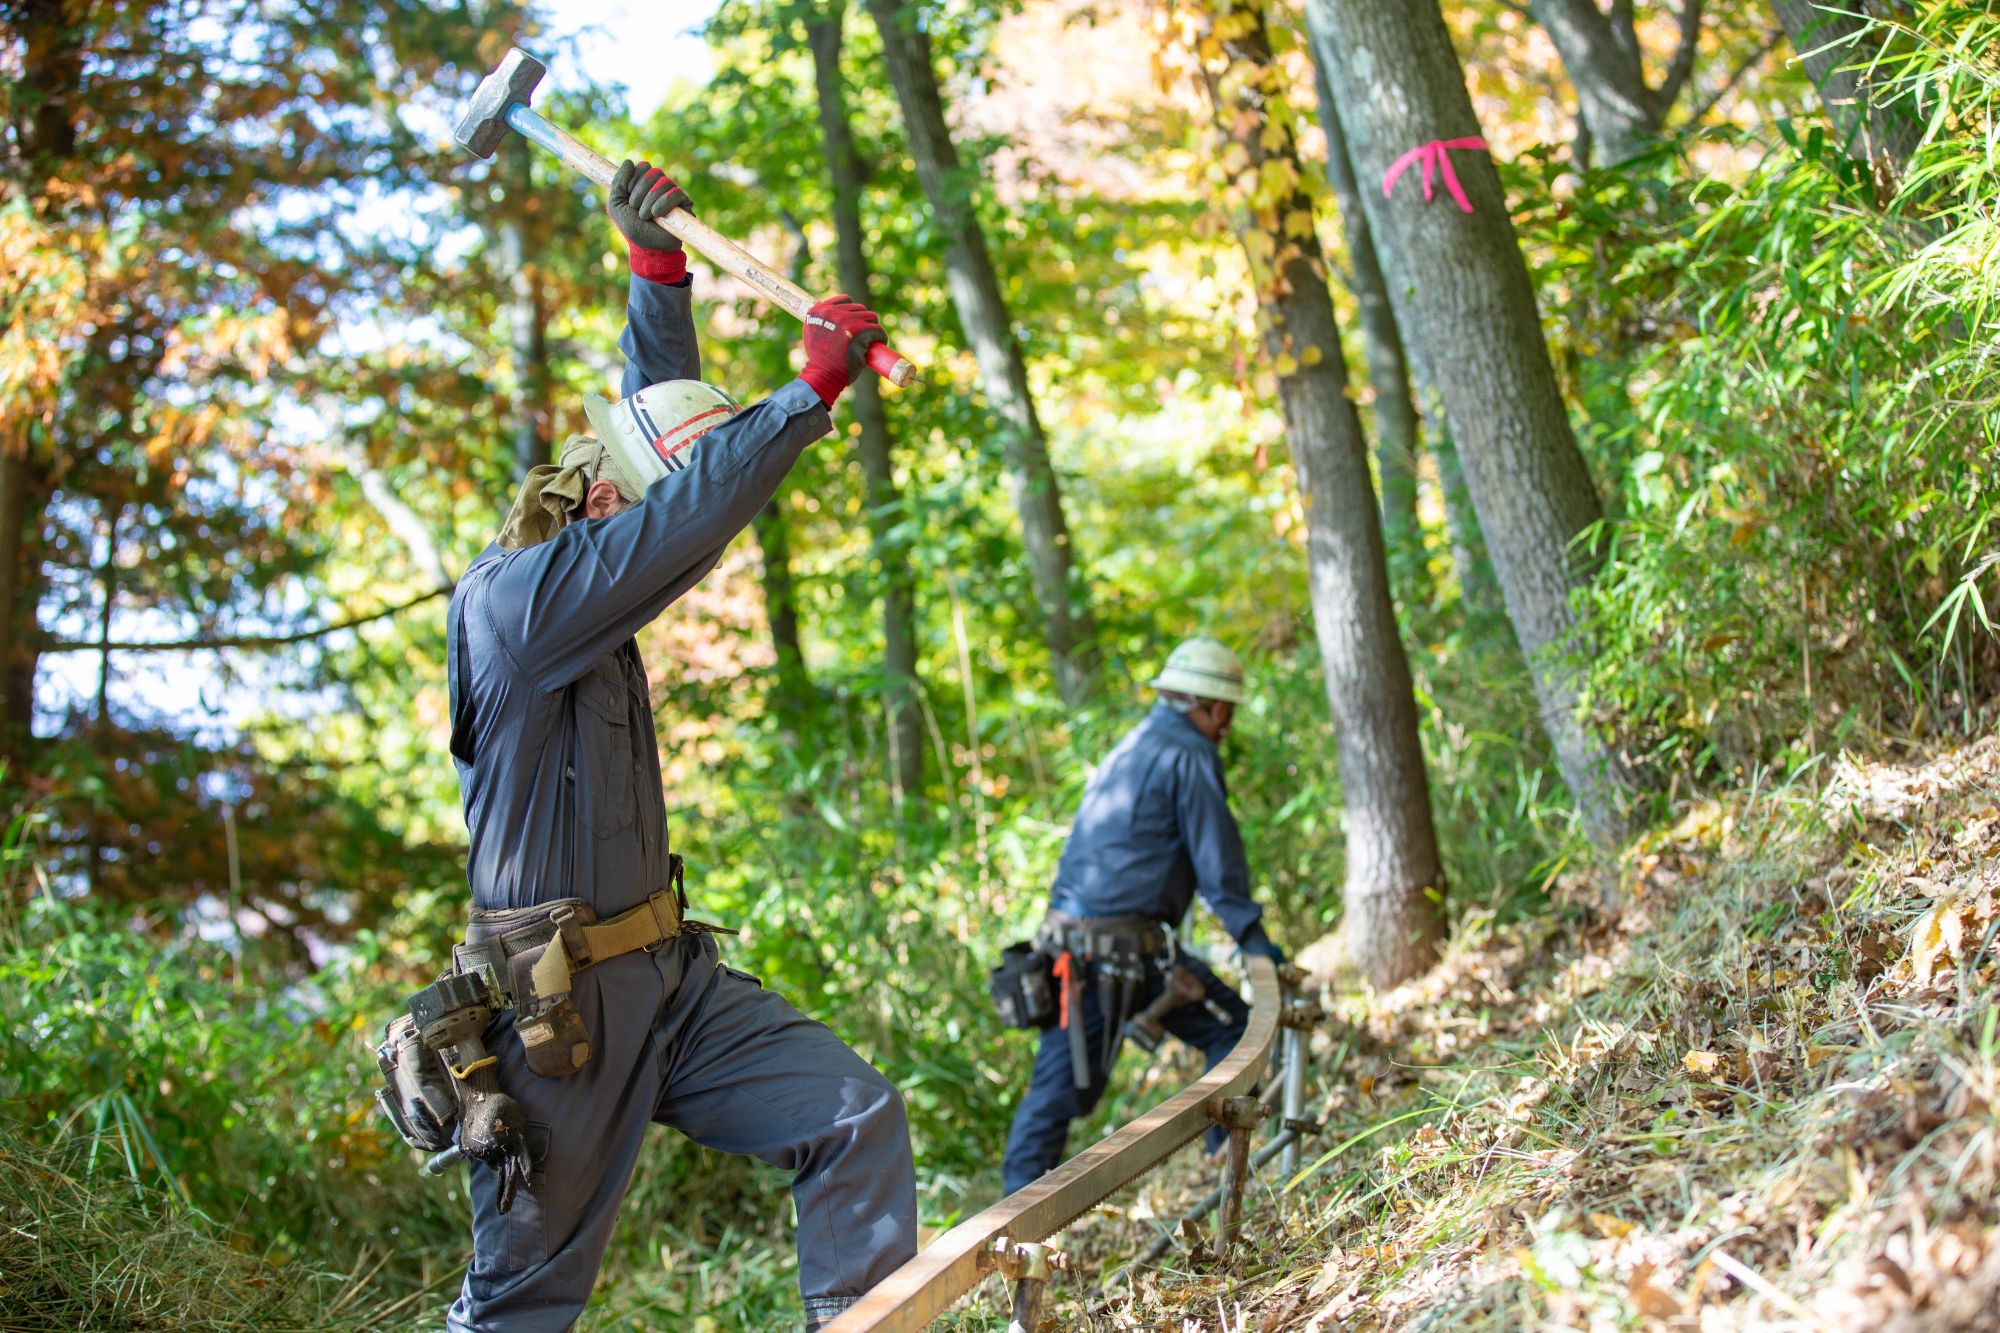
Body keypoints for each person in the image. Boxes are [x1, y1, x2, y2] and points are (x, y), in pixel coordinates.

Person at [440, 160, 916, 1331]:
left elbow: (662, 457)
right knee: (520, 1298)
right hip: (561, 1014)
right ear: (598, 493)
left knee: (854, 1117)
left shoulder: (599, 574)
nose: (674, 544)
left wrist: (659, 270)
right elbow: (679, 512)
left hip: (670, 979)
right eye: (647, 503)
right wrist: (805, 393)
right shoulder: (514, 603)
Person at [1000, 636, 1284, 1195]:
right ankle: (1227, 1176)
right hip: (1122, 955)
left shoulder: (1131, 747)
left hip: (1072, 948)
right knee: (1235, 1032)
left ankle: (1008, 1230)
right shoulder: (1189, 753)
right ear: (1217, 708)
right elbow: (1217, 861)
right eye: (1227, 713)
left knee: (1054, 1097)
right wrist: (1252, 938)